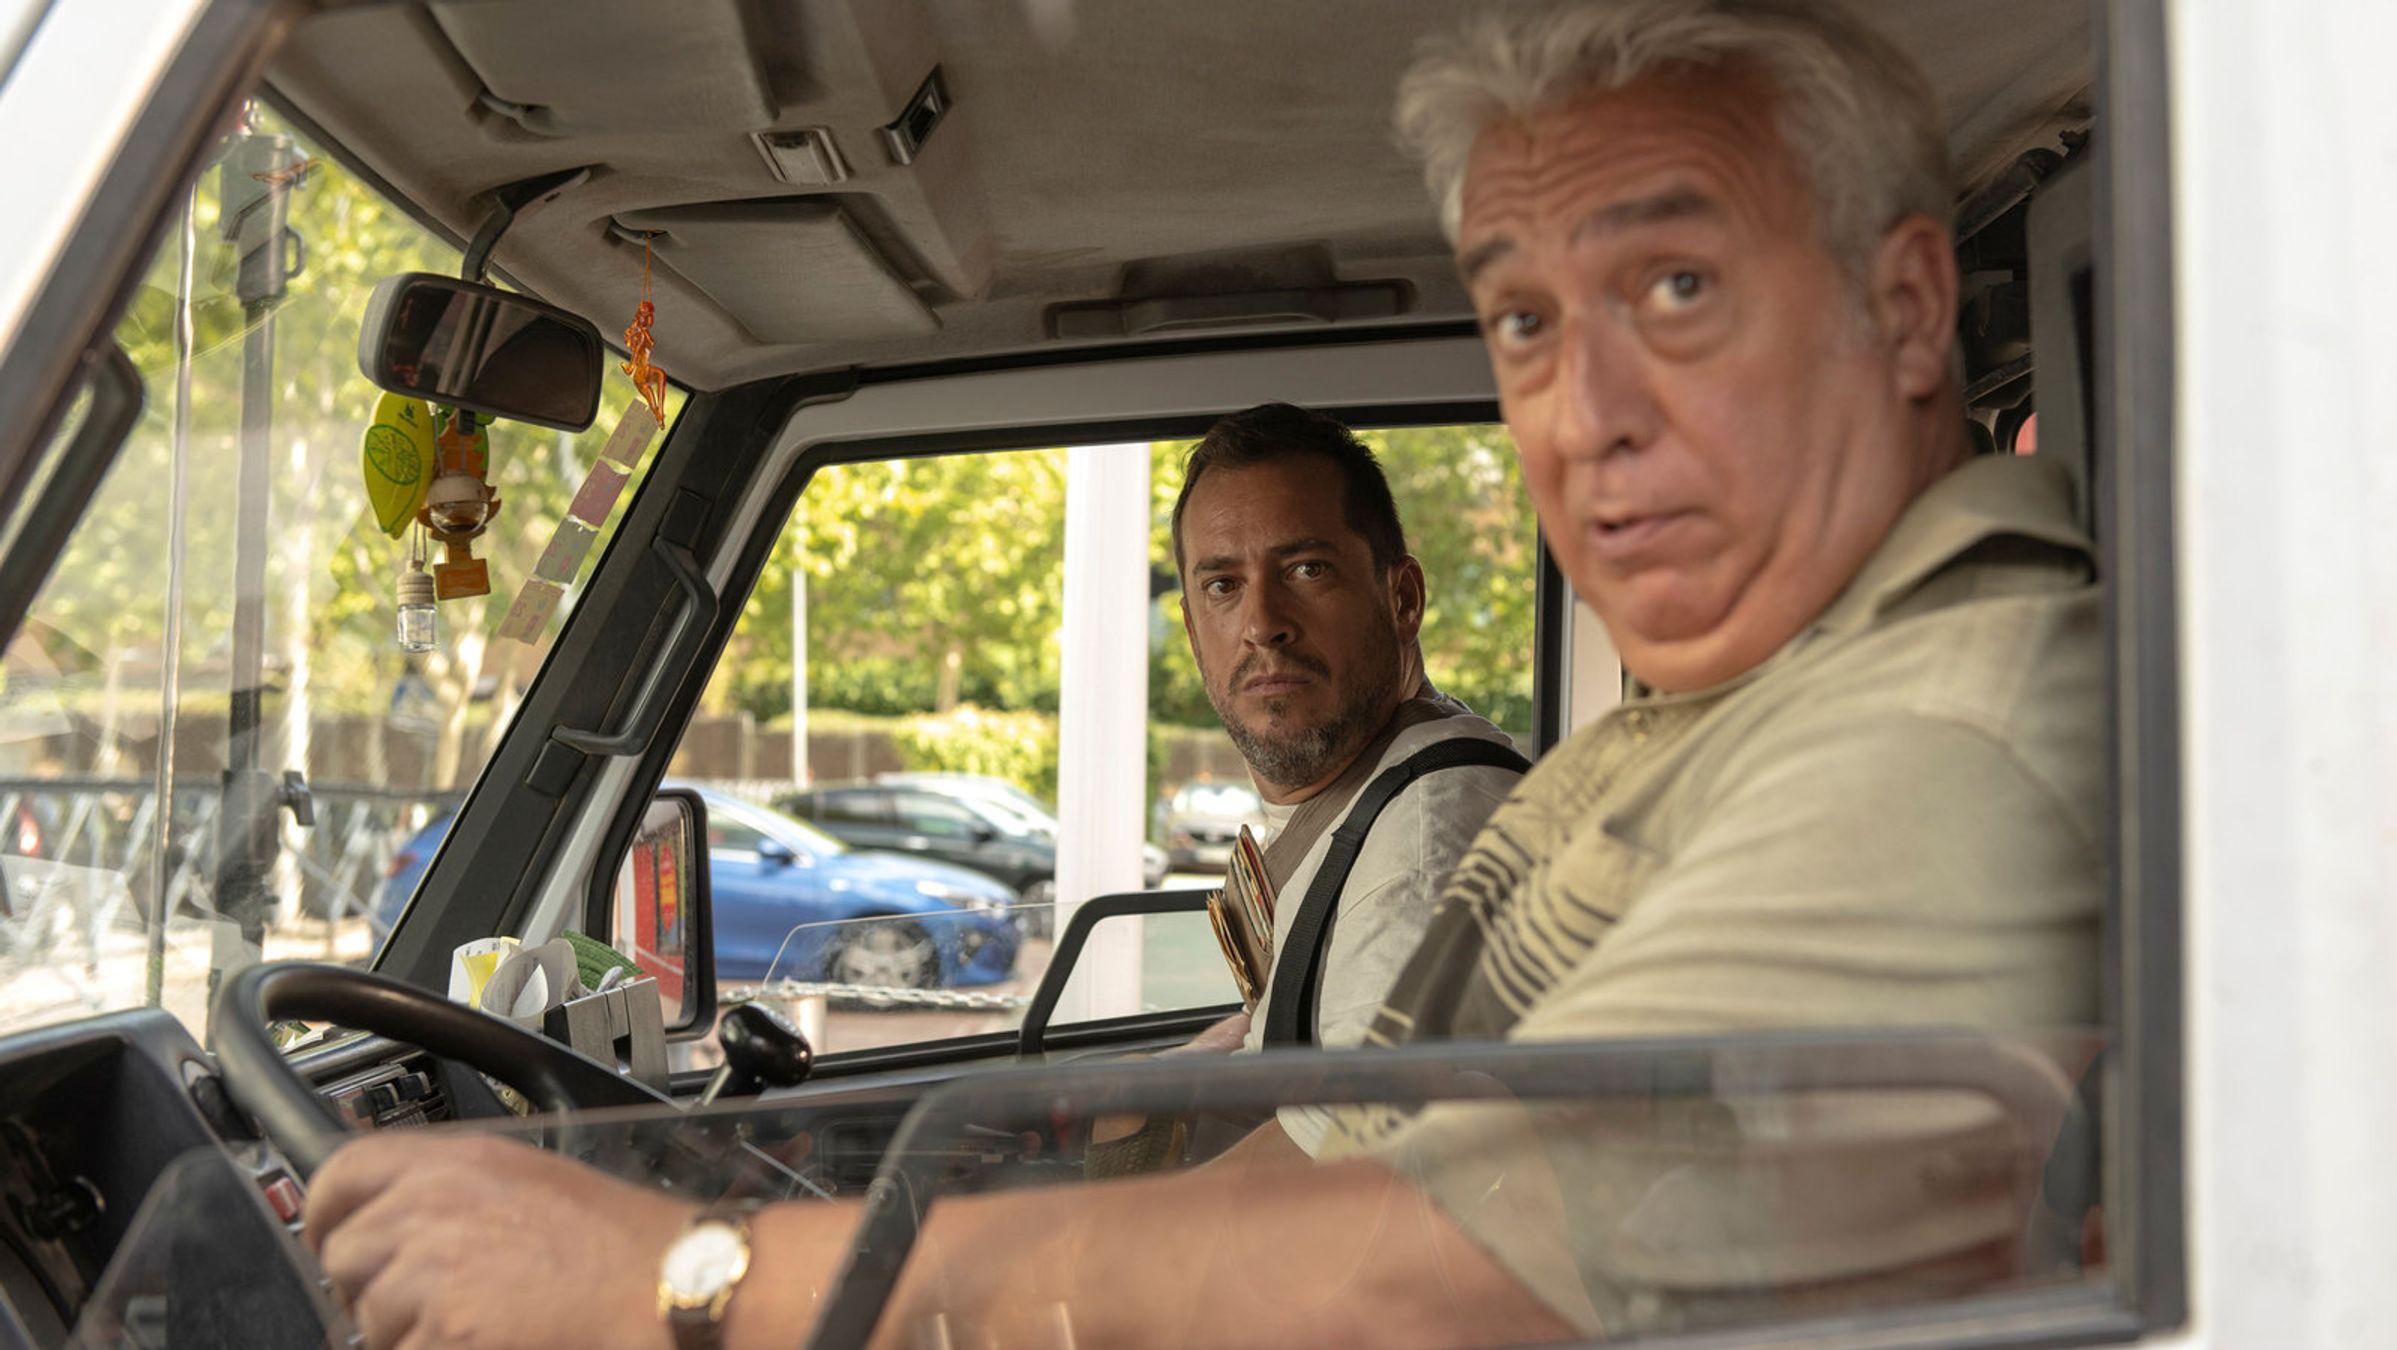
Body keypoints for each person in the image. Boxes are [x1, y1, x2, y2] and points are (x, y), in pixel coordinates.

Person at [305, 2, 2103, 1345]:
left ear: (1906, 309)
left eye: (1680, 288)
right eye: (1528, 322)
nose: (1588, 414)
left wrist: (689, 1281)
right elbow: (1340, 1158)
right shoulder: (1677, 745)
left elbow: (1424, 1281)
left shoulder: (1947, 739)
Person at [1087, 402, 1527, 1168]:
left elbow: (1352, 1191)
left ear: (1403, 600)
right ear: (1191, 629)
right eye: (1222, 585)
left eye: (1306, 570)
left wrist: (1053, 1232)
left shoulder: (1426, 837)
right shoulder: (1363, 796)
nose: (1262, 622)